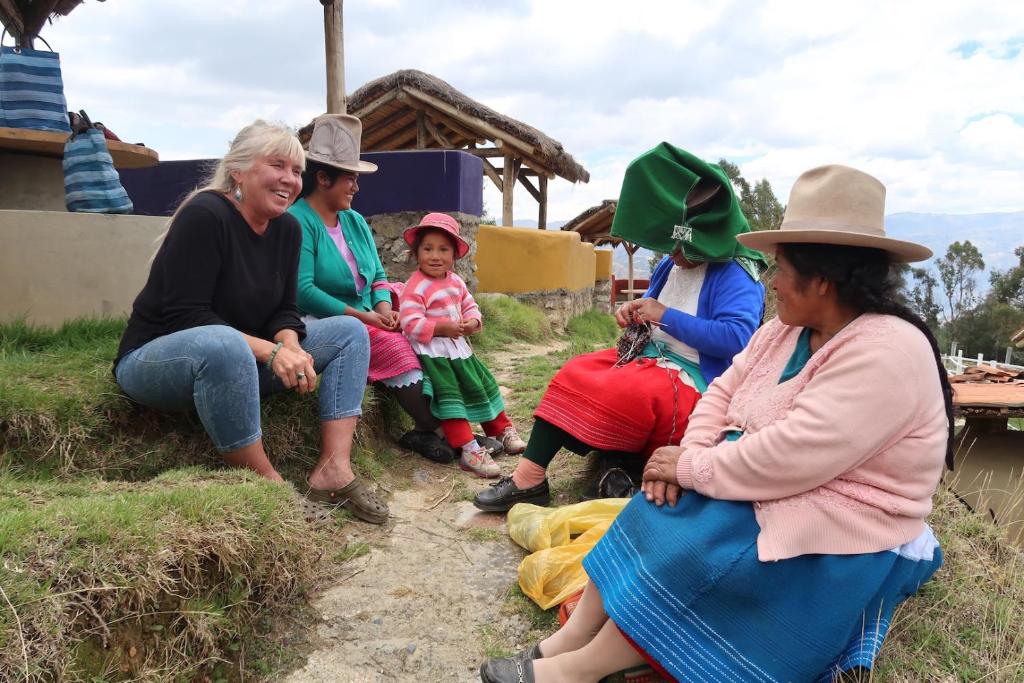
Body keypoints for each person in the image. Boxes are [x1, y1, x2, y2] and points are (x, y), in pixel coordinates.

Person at [479, 164, 954, 683]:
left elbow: (795, 455)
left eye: (781, 268)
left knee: (707, 536)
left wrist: (693, 467)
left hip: (848, 512)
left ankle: (587, 667)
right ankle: (573, 638)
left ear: (822, 278)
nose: (772, 282)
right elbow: (726, 388)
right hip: (776, 475)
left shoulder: (887, 351)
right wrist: (682, 457)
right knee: (655, 506)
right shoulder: (785, 330)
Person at [113, 120, 388, 524]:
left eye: (296, 171)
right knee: (223, 345)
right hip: (159, 361)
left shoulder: (287, 228)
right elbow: (187, 317)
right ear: (238, 170)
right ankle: (269, 486)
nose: (289, 179)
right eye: (277, 165)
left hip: (240, 364)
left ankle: (334, 468)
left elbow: (284, 309)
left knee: (349, 332)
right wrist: (271, 350)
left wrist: (290, 344)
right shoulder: (206, 215)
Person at [474, 144, 766, 512]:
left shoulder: (739, 273)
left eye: (680, 246)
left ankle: (616, 468)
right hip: (649, 361)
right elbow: (652, 308)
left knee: (626, 393)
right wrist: (634, 311)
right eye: (669, 246)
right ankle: (529, 479)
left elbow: (736, 339)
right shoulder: (672, 265)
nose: (673, 255)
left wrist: (663, 314)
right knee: (573, 373)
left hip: (696, 380)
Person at [288, 113, 456, 464]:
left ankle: (453, 421)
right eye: (349, 179)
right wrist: (364, 317)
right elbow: (303, 290)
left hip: (369, 312)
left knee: (428, 330)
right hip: (328, 318)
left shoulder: (354, 220)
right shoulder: (298, 222)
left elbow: (378, 274)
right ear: (322, 178)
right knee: (396, 347)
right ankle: (441, 429)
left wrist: (383, 308)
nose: (356, 187)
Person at [398, 213, 527, 478]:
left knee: (481, 386)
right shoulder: (415, 286)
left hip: (460, 351)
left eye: (443, 249)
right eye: (428, 248)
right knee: (450, 398)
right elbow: (409, 321)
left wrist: (472, 321)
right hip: (435, 354)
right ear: (416, 252)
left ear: (454, 255)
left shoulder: (455, 281)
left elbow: (469, 304)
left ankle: (501, 430)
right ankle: (469, 449)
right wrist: (440, 328)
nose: (435, 256)